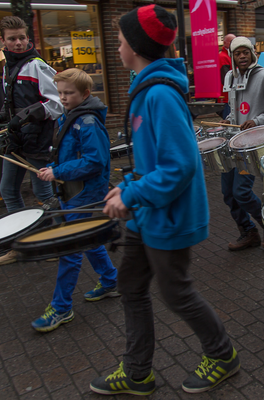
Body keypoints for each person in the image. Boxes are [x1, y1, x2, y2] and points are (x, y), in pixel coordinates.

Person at [89, 5, 239, 396]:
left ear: (135, 46)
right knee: (131, 286)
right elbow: (154, 159)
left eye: (120, 40)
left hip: (168, 217)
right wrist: (128, 189)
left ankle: (222, 355)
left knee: (177, 293)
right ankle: (138, 372)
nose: (118, 46)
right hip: (147, 214)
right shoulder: (144, 87)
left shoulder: (159, 95)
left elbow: (180, 166)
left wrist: (134, 192)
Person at [31, 68, 119, 332]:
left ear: (85, 94)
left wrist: (58, 172)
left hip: (85, 192)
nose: (63, 97)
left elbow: (96, 161)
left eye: (69, 93)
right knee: (87, 240)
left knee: (70, 248)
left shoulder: (88, 122)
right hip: (74, 190)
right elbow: (68, 154)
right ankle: (110, 281)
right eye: (59, 92)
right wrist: (52, 166)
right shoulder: (69, 117)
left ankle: (61, 307)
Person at [0, 16, 62, 265]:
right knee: (7, 190)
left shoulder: (37, 66)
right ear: (2, 41)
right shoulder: (7, 68)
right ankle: (25, 243)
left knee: (43, 192)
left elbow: (57, 104)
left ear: (28, 38)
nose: (17, 43)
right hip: (16, 140)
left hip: (38, 138)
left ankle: (55, 242)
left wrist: (29, 115)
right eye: (12, 39)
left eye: (21, 38)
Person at [221, 36, 264, 251]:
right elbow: (236, 109)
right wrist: (229, 121)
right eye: (237, 53)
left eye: (245, 52)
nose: (242, 56)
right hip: (232, 143)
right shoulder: (230, 77)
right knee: (228, 193)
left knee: (241, 191)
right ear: (232, 56)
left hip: (253, 145)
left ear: (253, 53)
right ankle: (248, 232)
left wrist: (257, 121)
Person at [218, 33, 235, 119]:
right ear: (225, 43)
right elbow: (225, 79)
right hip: (226, 98)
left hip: (230, 96)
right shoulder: (223, 57)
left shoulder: (230, 56)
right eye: (232, 41)